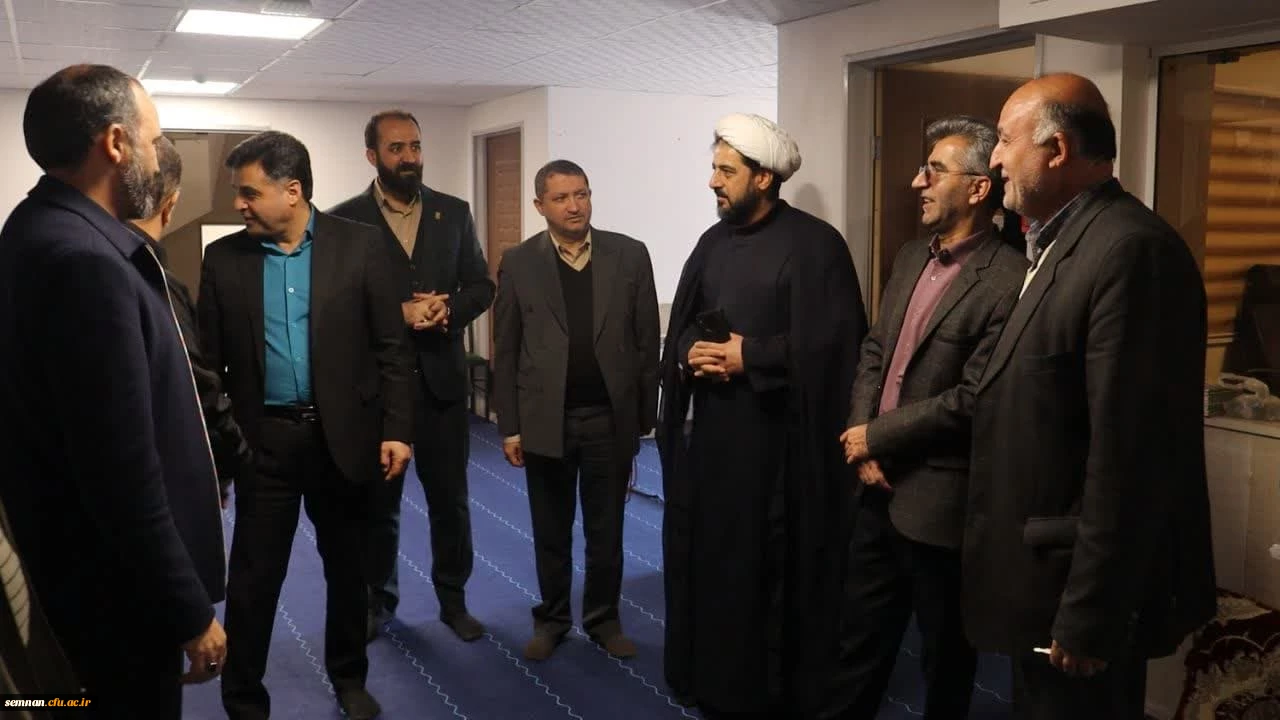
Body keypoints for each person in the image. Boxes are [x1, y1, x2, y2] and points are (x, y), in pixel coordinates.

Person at [963, 73, 1217, 719]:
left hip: (1074, 597)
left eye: (1005, 140)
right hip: (1039, 579)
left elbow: (1129, 456)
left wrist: (1090, 614)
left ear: (1057, 149)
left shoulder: (1130, 250)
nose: (994, 159)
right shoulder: (1057, 243)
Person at [0, 64, 226, 718]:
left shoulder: (37, 226)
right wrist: (188, 611)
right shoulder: (86, 264)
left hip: (71, 567)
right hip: (111, 593)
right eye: (153, 141)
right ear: (118, 143)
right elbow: (119, 473)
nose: (158, 160)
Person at [656, 113, 868, 717]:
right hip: (715, 448)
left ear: (764, 178)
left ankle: (765, 693)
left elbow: (837, 348)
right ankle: (711, 681)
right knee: (715, 565)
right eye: (713, 168)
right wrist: (692, 353)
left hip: (782, 455)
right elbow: (684, 328)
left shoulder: (817, 246)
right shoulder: (712, 243)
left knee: (767, 573)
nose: (713, 182)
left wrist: (750, 356)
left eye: (726, 171)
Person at [198, 130, 414, 720]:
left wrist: (397, 429)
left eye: (249, 192)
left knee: (348, 571)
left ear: (291, 191)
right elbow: (208, 369)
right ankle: (244, 699)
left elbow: (392, 348)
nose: (239, 204)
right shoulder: (224, 259)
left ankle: (349, 679)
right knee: (253, 581)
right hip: (262, 444)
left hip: (343, 440)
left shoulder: (361, 246)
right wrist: (219, 455)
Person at [827, 116, 1027, 719]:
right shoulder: (911, 256)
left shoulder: (1010, 279)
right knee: (856, 644)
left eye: (934, 171)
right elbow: (874, 351)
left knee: (946, 661)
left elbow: (973, 397)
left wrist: (876, 436)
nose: (918, 182)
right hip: (873, 489)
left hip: (939, 504)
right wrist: (863, 441)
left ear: (978, 188)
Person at [329, 110, 495, 643]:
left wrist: (451, 308)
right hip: (379, 393)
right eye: (396, 148)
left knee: (452, 504)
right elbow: (335, 307)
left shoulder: (454, 212)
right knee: (379, 509)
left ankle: (454, 601)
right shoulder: (343, 221)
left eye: (415, 147)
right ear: (372, 156)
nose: (409, 158)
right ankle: (377, 602)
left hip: (442, 386)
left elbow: (481, 285)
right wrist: (396, 314)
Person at [492, 160, 660, 661]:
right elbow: (507, 348)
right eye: (562, 198)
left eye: (581, 194)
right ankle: (553, 619)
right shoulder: (519, 262)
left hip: (609, 420)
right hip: (546, 421)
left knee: (606, 531)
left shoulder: (629, 255)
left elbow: (646, 341)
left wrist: (642, 418)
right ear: (540, 205)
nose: (574, 206)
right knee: (551, 529)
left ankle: (604, 620)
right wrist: (510, 426)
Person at [128, 136, 252, 505]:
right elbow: (199, 388)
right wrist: (234, 458)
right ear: (171, 205)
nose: (239, 205)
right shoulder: (156, 285)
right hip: (163, 473)